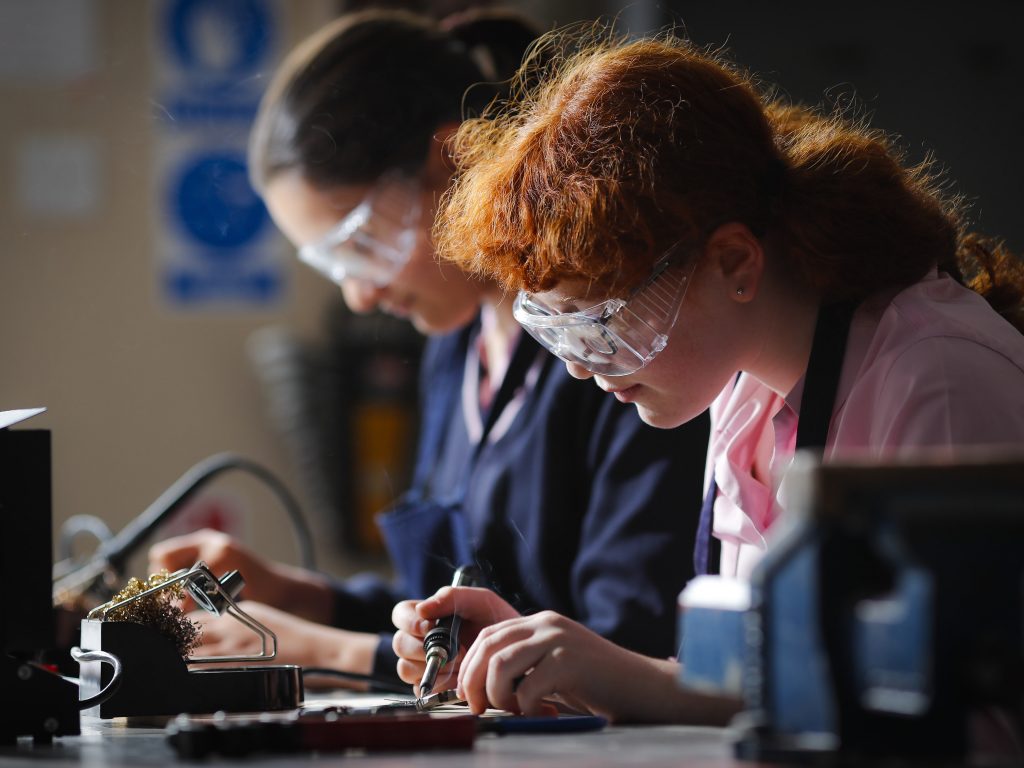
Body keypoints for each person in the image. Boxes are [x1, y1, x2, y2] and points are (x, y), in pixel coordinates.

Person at [391, 29, 1024, 721]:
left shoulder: (936, 380)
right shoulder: (745, 388)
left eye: (604, 320)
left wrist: (632, 680)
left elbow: (952, 723)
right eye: (557, 330)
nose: (576, 363)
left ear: (734, 264)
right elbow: (749, 682)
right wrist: (541, 658)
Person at [149, 10, 710, 689]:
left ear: (455, 160)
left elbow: (618, 650)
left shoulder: (612, 350)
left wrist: (325, 651)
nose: (359, 295)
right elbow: (446, 619)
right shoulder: (458, 348)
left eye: (361, 246)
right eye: (334, 267)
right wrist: (305, 599)